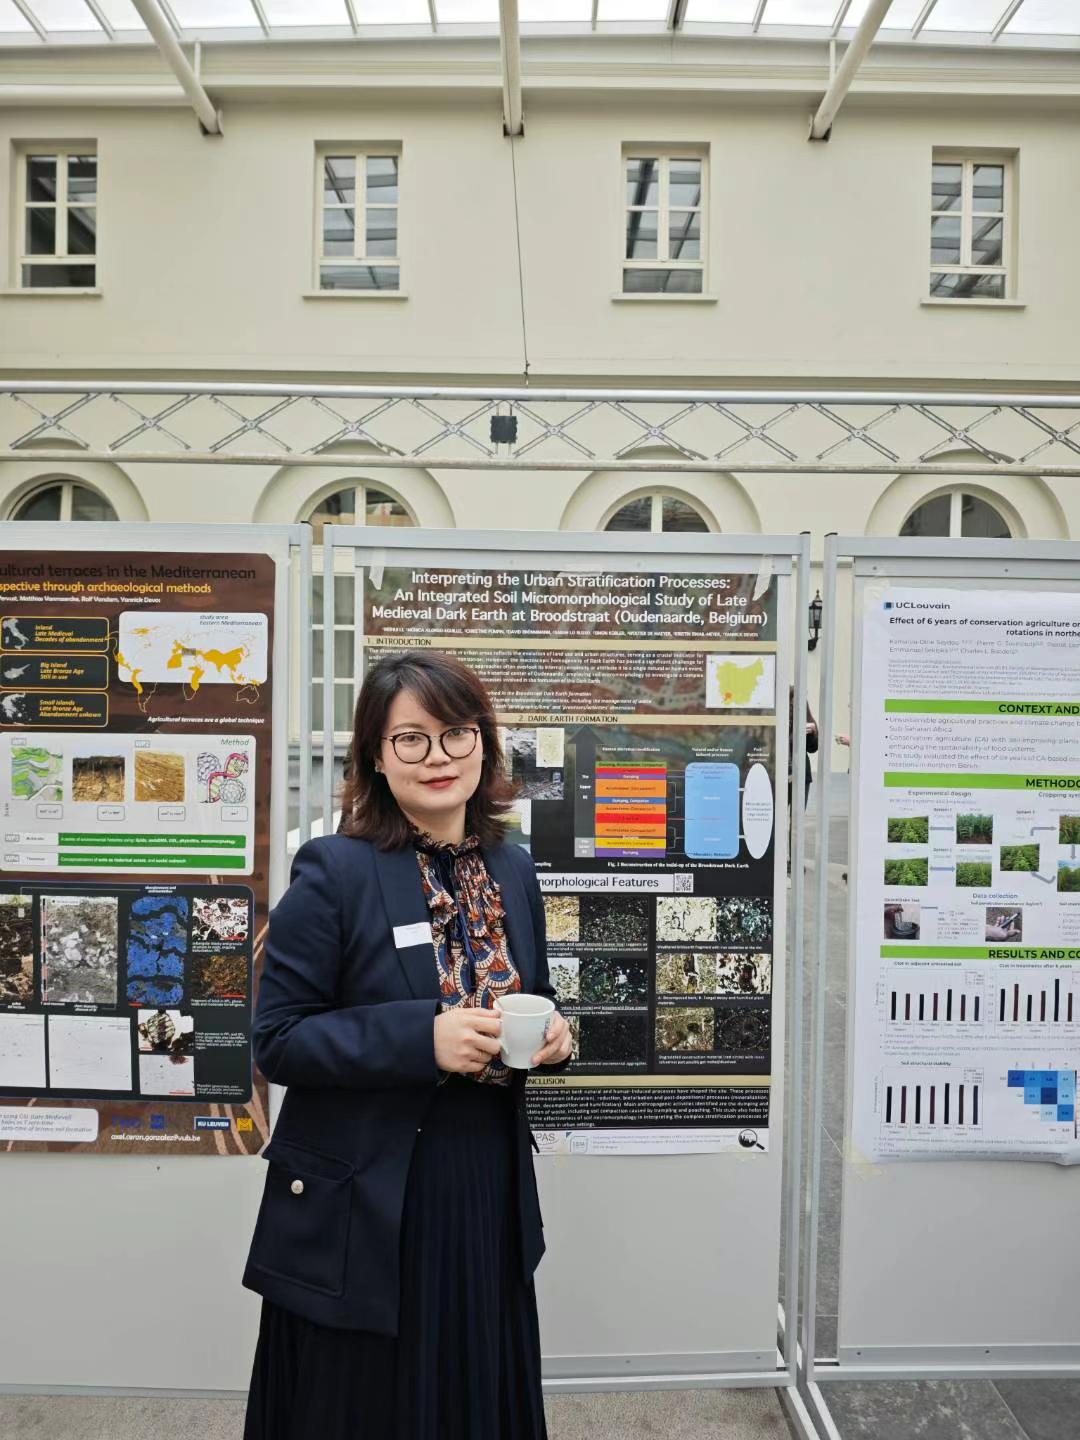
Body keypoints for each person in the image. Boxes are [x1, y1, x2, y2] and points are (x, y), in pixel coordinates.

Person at [242, 650, 572, 1440]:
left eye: (456, 734)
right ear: (376, 757)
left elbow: (533, 992)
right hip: (371, 1193)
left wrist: (556, 1035)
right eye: (411, 739)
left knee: (471, 1389)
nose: (438, 757)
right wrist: (420, 1038)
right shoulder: (336, 870)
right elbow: (278, 1039)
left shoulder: (512, 868)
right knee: (367, 1405)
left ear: (483, 745)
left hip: (483, 1182)